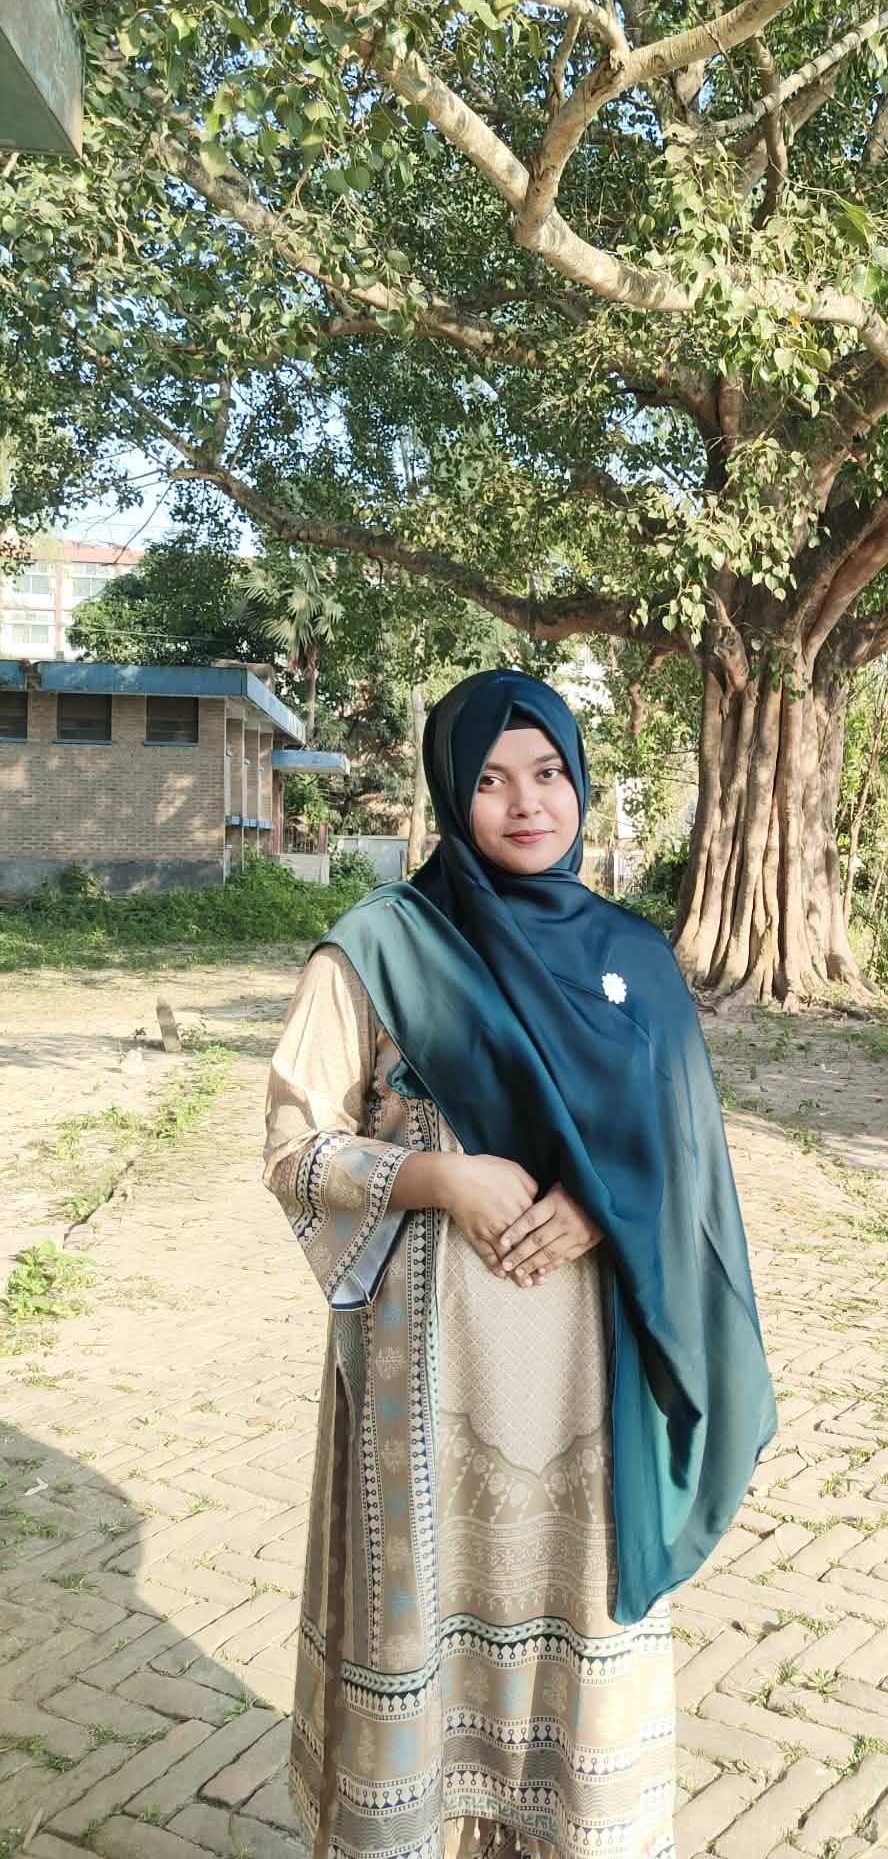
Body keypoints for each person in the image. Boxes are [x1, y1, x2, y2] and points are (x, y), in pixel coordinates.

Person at [263, 670, 776, 1859]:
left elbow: (685, 1155)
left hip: (583, 1389)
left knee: (572, 1614)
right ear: (452, 793)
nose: (525, 801)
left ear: (579, 782)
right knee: (424, 1627)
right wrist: (438, 1177)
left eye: (547, 772)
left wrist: (603, 1207)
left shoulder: (634, 960)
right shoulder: (380, 950)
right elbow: (294, 1148)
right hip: (426, 1393)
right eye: (490, 778)